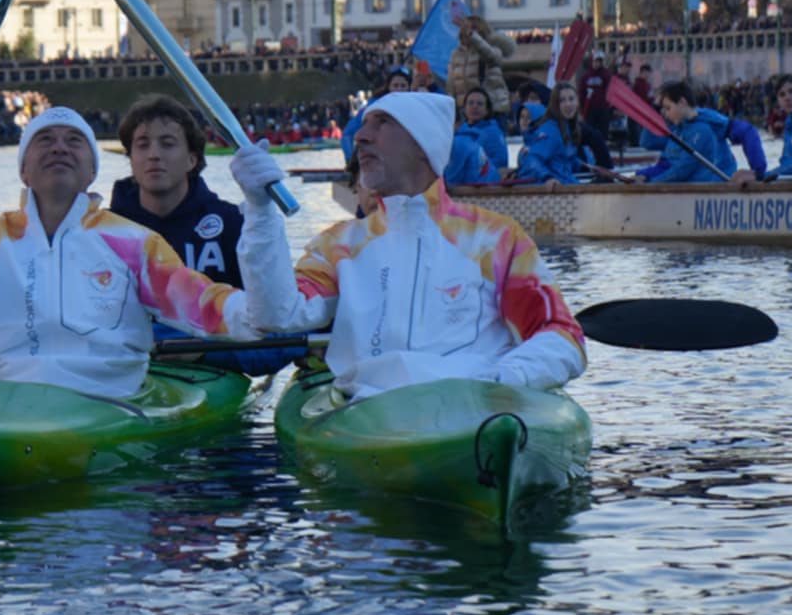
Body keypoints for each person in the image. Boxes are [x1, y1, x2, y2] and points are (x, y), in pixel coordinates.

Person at [0, 106, 263, 399]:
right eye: (45, 140)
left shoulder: (134, 243)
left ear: (91, 172)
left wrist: (268, 297)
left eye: (74, 142)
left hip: (106, 400)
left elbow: (213, 308)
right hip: (3, 399)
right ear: (24, 170)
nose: (59, 148)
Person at [228, 92, 586, 401]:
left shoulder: (496, 239)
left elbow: (562, 336)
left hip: (476, 410)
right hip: (369, 415)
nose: (361, 137)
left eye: (382, 123)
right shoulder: (339, 245)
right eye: (364, 125)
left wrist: (502, 380)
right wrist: (261, 213)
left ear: (422, 145)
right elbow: (277, 316)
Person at [107, 95, 244, 285]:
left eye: (167, 144)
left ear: (192, 159)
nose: (154, 155)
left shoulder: (233, 224)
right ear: (131, 159)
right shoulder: (105, 231)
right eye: (143, 145)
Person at [641, 81, 737, 184]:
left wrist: (651, 182)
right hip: (690, 184)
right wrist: (645, 176)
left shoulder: (702, 130)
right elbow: (648, 143)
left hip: (708, 185)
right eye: (662, 108)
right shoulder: (678, 128)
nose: (664, 113)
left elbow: (683, 169)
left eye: (667, 108)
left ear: (682, 102)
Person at [518, 82, 602, 185]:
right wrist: (547, 178)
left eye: (571, 99)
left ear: (577, 102)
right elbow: (532, 158)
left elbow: (564, 158)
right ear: (555, 104)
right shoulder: (550, 130)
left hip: (566, 182)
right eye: (562, 100)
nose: (568, 104)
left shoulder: (566, 127)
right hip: (553, 187)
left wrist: (589, 167)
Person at [446, 15, 514, 124]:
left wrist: (474, 37)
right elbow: (452, 83)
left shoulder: (493, 47)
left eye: (473, 28)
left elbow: (491, 57)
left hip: (493, 106)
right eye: (466, 27)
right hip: (466, 109)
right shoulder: (457, 54)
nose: (468, 31)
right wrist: (452, 107)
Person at [341, 67, 412, 161]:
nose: (399, 90)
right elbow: (348, 133)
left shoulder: (417, 105)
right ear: (388, 87)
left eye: (403, 86)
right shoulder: (375, 105)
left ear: (409, 88)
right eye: (395, 86)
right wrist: (350, 159)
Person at [456, 88, 511, 178]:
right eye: (471, 103)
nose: (475, 107)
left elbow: (500, 161)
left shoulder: (492, 133)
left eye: (480, 104)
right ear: (464, 108)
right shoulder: (460, 131)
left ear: (487, 110)